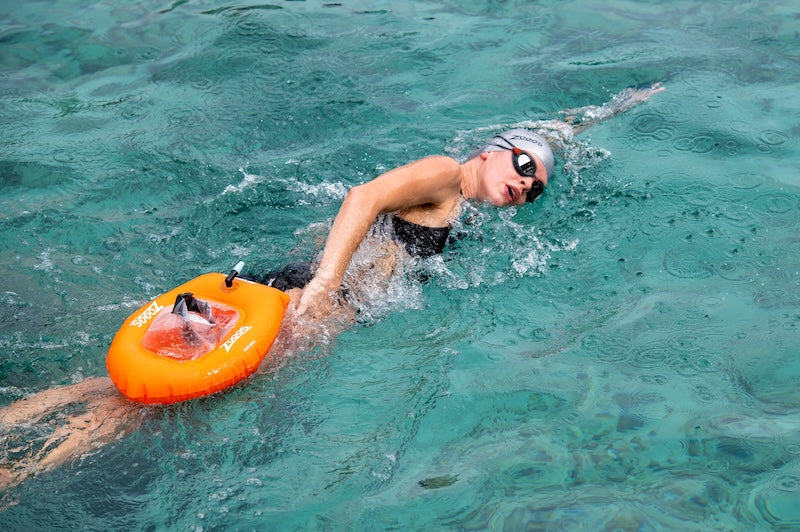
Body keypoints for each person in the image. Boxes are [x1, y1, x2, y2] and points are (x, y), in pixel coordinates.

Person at [0, 84, 664, 490]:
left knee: (138, 389)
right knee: (149, 402)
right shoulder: (441, 175)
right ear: (489, 151)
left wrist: (608, 113)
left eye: (535, 188)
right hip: (304, 305)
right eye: (522, 165)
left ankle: (16, 428)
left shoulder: (457, 195)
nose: (526, 183)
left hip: (305, 302)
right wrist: (322, 289)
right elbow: (362, 197)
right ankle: (22, 471)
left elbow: (549, 136)